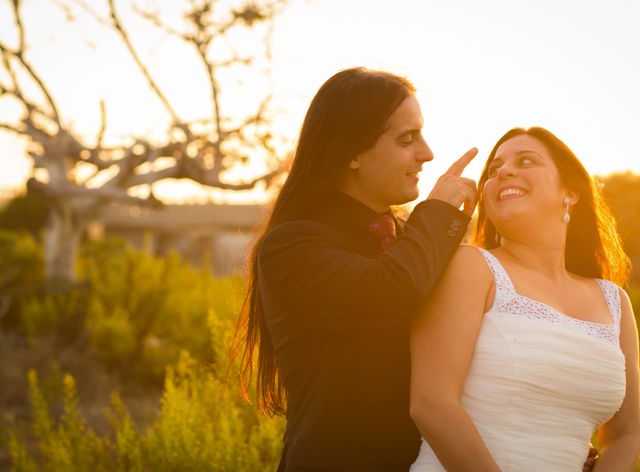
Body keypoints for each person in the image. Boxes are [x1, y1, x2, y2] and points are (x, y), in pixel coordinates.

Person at [236, 67, 478, 471]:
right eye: (407, 139)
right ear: (351, 152)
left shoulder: (414, 242)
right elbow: (391, 292)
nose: (427, 153)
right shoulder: (291, 246)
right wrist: (436, 212)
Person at [409, 126, 640, 471]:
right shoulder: (471, 267)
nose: (504, 171)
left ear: (571, 192)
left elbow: (626, 433)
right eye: (494, 169)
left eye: (526, 160)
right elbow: (431, 403)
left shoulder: (615, 301)